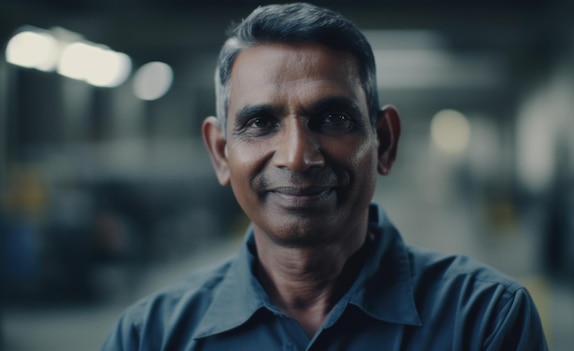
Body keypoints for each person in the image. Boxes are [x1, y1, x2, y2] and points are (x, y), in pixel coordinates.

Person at [101, 3, 549, 350]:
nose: (296, 157)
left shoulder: (483, 320)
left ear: (385, 142)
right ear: (221, 152)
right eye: (260, 123)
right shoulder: (150, 337)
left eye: (332, 118)